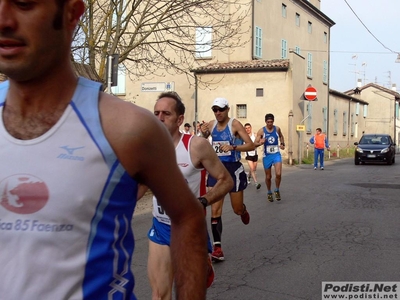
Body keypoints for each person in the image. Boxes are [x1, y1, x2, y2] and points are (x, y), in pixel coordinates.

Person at [0, 2, 208, 299]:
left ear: (72, 14)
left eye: (24, 3)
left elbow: (187, 217)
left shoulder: (129, 127)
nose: (3, 20)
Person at [138, 92, 233, 299]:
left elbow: (226, 180)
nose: (159, 118)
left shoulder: (196, 146)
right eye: (156, 113)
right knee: (159, 294)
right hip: (161, 226)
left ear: (180, 120)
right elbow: (141, 187)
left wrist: (203, 201)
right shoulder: (149, 149)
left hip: (189, 230)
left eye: (166, 113)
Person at [200, 97, 255, 261]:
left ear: (227, 110)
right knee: (215, 210)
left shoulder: (235, 124)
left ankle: (243, 211)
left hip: (233, 169)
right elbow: (203, 137)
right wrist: (203, 131)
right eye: (215, 110)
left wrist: (233, 147)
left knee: (236, 209)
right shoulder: (211, 124)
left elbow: (250, 145)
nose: (218, 113)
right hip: (217, 170)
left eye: (221, 109)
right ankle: (217, 248)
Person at [255, 113, 285, 203]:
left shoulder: (277, 129)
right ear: (265, 122)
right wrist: (260, 142)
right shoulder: (261, 131)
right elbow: (254, 143)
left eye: (271, 122)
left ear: (273, 121)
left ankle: (277, 189)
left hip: (276, 154)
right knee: (268, 177)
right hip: (267, 156)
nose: (270, 124)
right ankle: (269, 191)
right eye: (268, 122)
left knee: (278, 174)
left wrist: (282, 144)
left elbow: (281, 136)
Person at [244, 123, 262, 189]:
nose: (247, 129)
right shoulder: (244, 137)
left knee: (253, 169)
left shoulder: (255, 135)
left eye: (248, 128)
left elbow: (259, 141)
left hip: (255, 154)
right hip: (248, 155)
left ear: (251, 128)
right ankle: (256, 183)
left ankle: (248, 177)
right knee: (252, 169)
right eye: (246, 128)